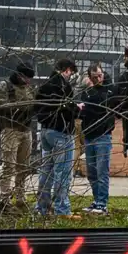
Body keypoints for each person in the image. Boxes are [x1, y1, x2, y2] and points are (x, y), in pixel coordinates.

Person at [34, 58, 81, 215]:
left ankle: (42, 207)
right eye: (71, 73)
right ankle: (62, 209)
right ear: (66, 70)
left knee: (46, 171)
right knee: (63, 172)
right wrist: (77, 108)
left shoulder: (45, 86)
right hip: (62, 132)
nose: (71, 76)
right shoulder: (62, 86)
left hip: (46, 131)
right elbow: (66, 107)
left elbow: (37, 108)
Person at [78, 65, 123, 214]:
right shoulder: (87, 92)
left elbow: (101, 105)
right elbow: (83, 109)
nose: (99, 79)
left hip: (103, 136)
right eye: (95, 76)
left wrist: (89, 107)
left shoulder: (109, 90)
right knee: (92, 173)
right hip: (90, 136)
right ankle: (97, 200)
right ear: (90, 77)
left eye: (100, 75)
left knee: (102, 172)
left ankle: (102, 203)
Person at [0, 66, 36, 207]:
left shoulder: (29, 88)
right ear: (19, 75)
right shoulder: (5, 86)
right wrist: (21, 106)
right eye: (26, 78)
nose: (28, 81)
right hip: (10, 129)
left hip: (26, 129)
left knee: (24, 167)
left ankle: (20, 197)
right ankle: (5, 198)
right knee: (9, 166)